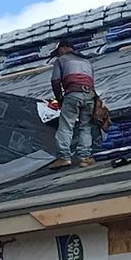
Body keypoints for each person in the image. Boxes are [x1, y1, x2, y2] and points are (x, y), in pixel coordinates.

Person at [48, 39, 99, 169]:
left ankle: (63, 157)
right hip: (89, 95)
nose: (57, 54)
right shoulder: (86, 61)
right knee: (86, 127)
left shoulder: (61, 60)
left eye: (58, 51)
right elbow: (91, 82)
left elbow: (55, 81)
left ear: (64, 48)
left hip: (73, 94)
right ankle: (85, 157)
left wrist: (59, 99)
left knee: (65, 126)